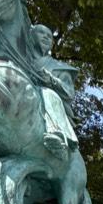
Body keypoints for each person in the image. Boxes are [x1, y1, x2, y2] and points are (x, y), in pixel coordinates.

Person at [31, 24, 79, 159]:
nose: (46, 37)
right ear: (30, 36)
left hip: (50, 104)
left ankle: (56, 133)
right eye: (41, 33)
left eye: (49, 36)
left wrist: (52, 81)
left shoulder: (59, 68)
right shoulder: (18, 58)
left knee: (48, 93)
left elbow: (70, 93)